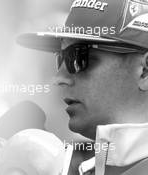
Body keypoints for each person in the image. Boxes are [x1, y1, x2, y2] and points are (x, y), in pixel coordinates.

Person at [17, 0, 148, 174]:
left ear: (145, 70)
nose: (59, 78)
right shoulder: (74, 165)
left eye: (79, 57)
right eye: (60, 58)